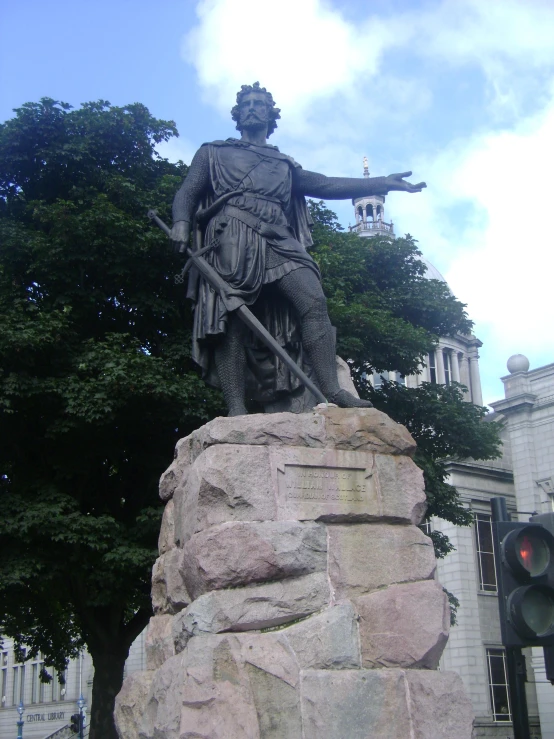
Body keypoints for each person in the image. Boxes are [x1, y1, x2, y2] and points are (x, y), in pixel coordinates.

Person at [170, 82, 425, 416]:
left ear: (271, 114)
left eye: (258, 103)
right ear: (236, 114)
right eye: (245, 103)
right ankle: (235, 408)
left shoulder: (283, 164)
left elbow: (326, 184)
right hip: (232, 236)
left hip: (278, 238)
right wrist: (181, 223)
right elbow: (188, 191)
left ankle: (332, 390)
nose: (251, 108)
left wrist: (380, 183)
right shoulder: (213, 152)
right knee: (231, 316)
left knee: (313, 301)